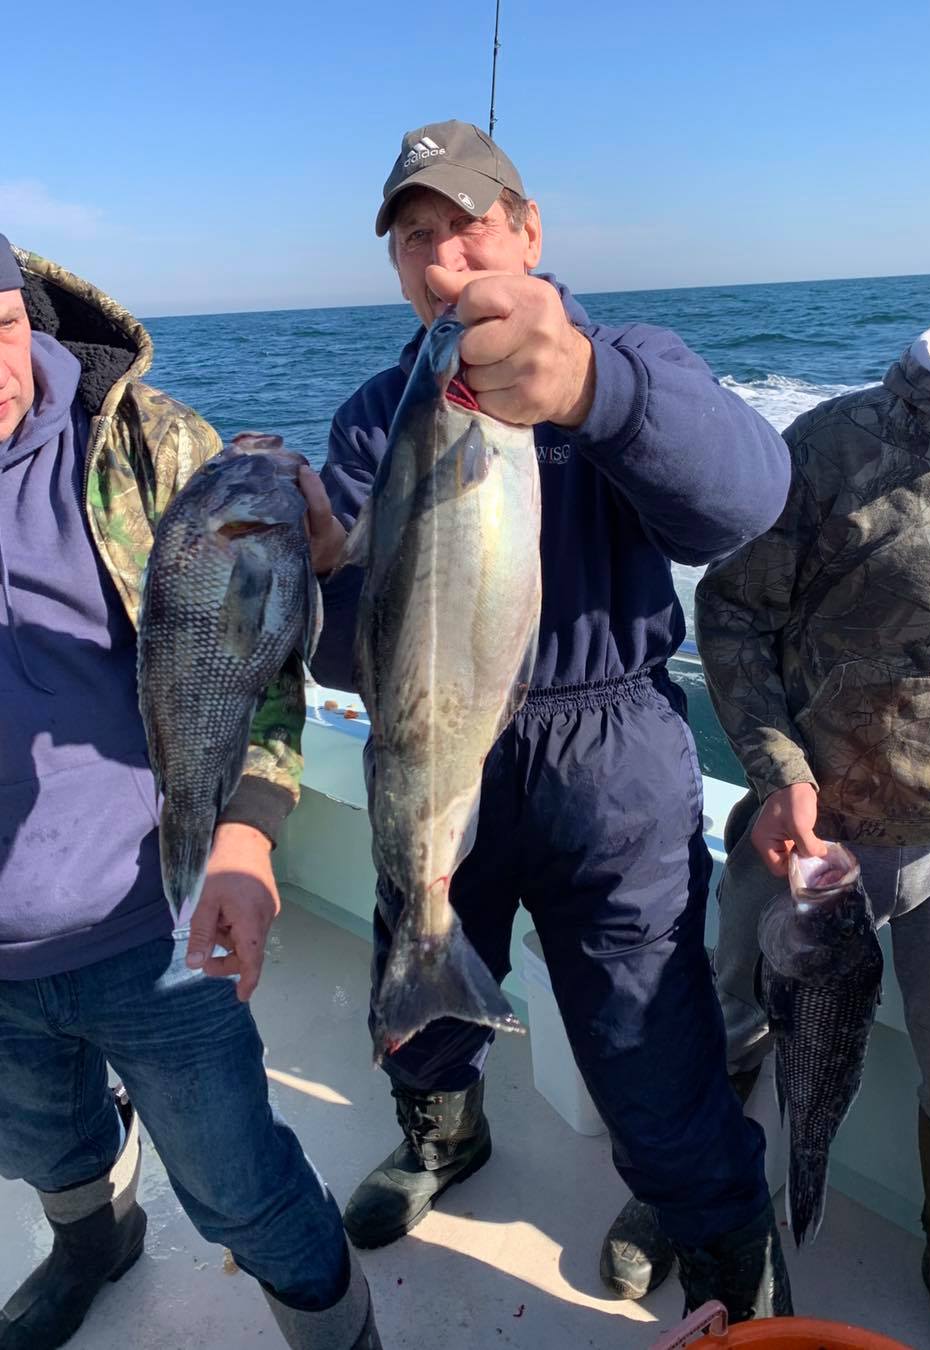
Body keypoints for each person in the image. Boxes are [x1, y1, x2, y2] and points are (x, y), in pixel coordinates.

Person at [300, 117, 795, 1319]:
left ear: (527, 230)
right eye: (412, 239)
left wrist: (588, 389)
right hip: (433, 747)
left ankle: (723, 1253)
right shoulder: (380, 412)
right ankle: (441, 1136)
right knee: (409, 975)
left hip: (607, 756)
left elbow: (744, 499)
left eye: (465, 224)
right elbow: (358, 650)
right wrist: (322, 577)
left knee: (648, 1043)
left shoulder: (631, 359)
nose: (440, 261)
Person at [695, 163, 930, 1350]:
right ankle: (699, 1212)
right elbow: (733, 614)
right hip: (806, 836)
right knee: (728, 1013)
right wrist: (772, 766)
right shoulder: (831, 442)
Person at [0, 237, 381, 1349]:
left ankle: (335, 1335)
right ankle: (93, 1240)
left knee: (241, 1186)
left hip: (145, 920)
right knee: (42, 1147)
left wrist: (248, 840)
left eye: (0, 327)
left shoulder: (155, 452)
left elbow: (257, 667)